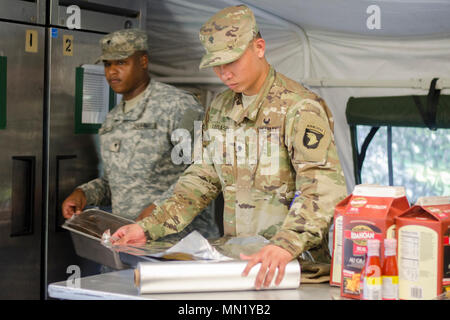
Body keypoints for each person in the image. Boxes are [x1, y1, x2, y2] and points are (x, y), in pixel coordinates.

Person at [112, 6, 347, 289]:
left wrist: (286, 244)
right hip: (239, 267)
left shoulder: (299, 107)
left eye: (232, 61)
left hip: (294, 270)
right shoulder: (221, 108)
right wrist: (147, 227)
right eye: (216, 64)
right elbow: (200, 180)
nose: (224, 73)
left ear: (259, 48)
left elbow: (322, 189)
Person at [62, 28, 219, 240]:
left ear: (143, 61)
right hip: (128, 243)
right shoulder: (113, 119)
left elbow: (206, 169)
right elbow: (117, 183)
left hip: (177, 247)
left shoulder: (177, 105)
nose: (112, 72)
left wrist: (158, 208)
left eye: (121, 63)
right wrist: (84, 193)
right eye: (108, 64)